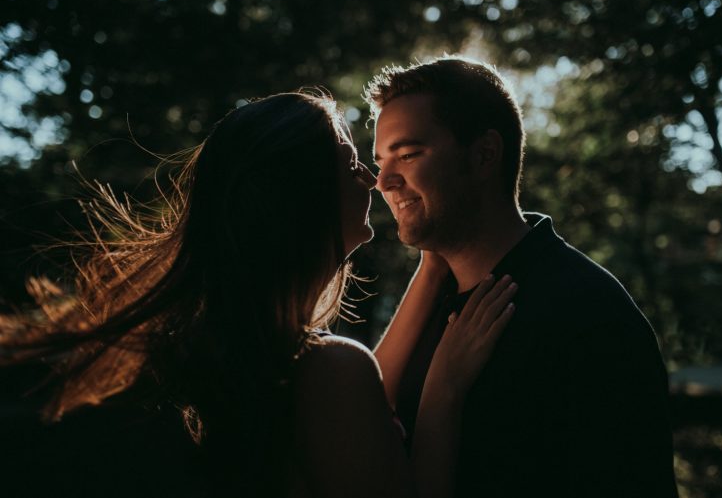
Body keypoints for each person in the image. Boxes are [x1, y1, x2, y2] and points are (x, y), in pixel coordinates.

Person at [0, 91, 518, 498]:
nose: (374, 179)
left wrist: (432, 262)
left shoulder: (236, 351)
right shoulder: (327, 368)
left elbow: (353, 419)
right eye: (349, 160)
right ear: (302, 192)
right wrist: (444, 392)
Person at [364, 56, 679, 497]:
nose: (383, 181)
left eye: (409, 154)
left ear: (484, 155)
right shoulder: (428, 301)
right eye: (380, 160)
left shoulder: (587, 312)